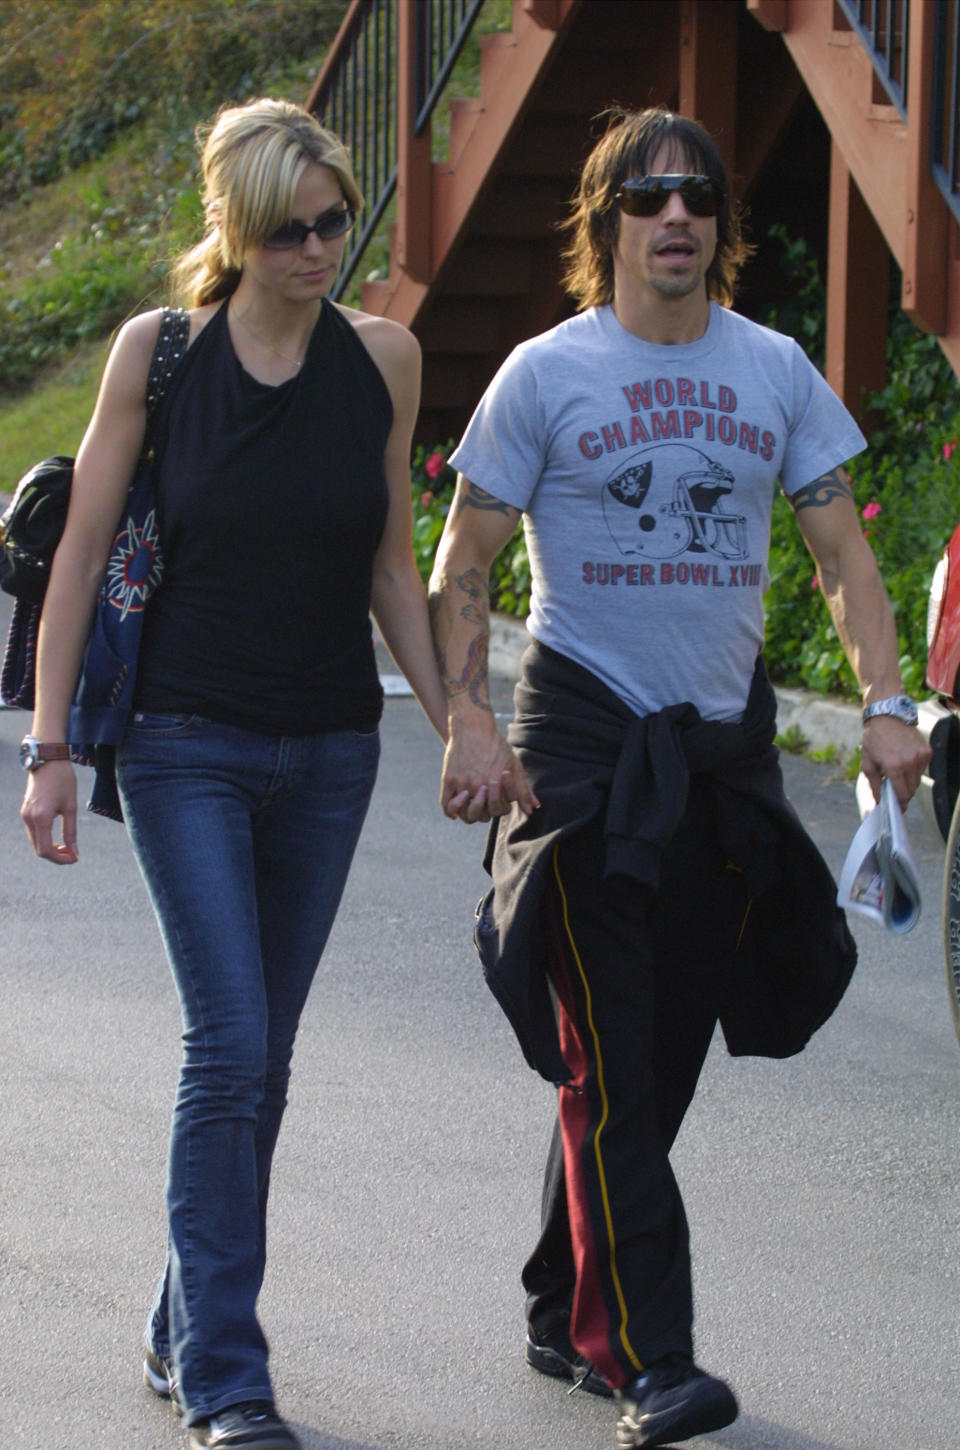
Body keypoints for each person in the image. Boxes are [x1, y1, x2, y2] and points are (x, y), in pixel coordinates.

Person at [427, 106, 931, 1449]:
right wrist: (471, 720)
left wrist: (884, 703)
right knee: (615, 1067)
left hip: (719, 757)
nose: (675, 217)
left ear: (720, 223)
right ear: (607, 223)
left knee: (650, 1053)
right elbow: (463, 564)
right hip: (586, 753)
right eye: (646, 196)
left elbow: (841, 556)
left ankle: (558, 1303)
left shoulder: (771, 370)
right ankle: (653, 1360)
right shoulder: (546, 373)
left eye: (696, 196)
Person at [20, 98, 451, 1450]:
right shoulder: (157, 360)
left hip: (328, 751)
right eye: (291, 229)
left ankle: (181, 1316)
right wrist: (44, 750)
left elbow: (391, 562)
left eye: (337, 221)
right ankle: (226, 1373)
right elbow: (80, 556)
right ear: (237, 228)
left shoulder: (382, 361)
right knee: (233, 1047)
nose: (321, 248)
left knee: (264, 1061)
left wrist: (460, 723)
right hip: (183, 745)